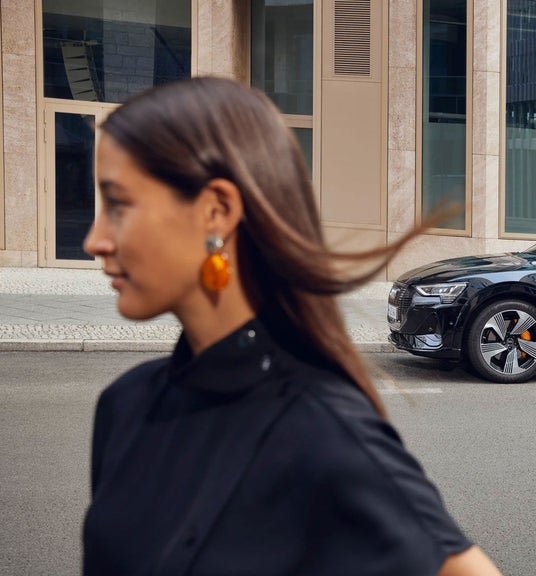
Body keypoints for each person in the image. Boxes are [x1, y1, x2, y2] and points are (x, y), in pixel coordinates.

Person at [81, 76, 503, 576]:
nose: (95, 239)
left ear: (216, 211)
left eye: (118, 205)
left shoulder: (324, 435)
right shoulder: (124, 405)